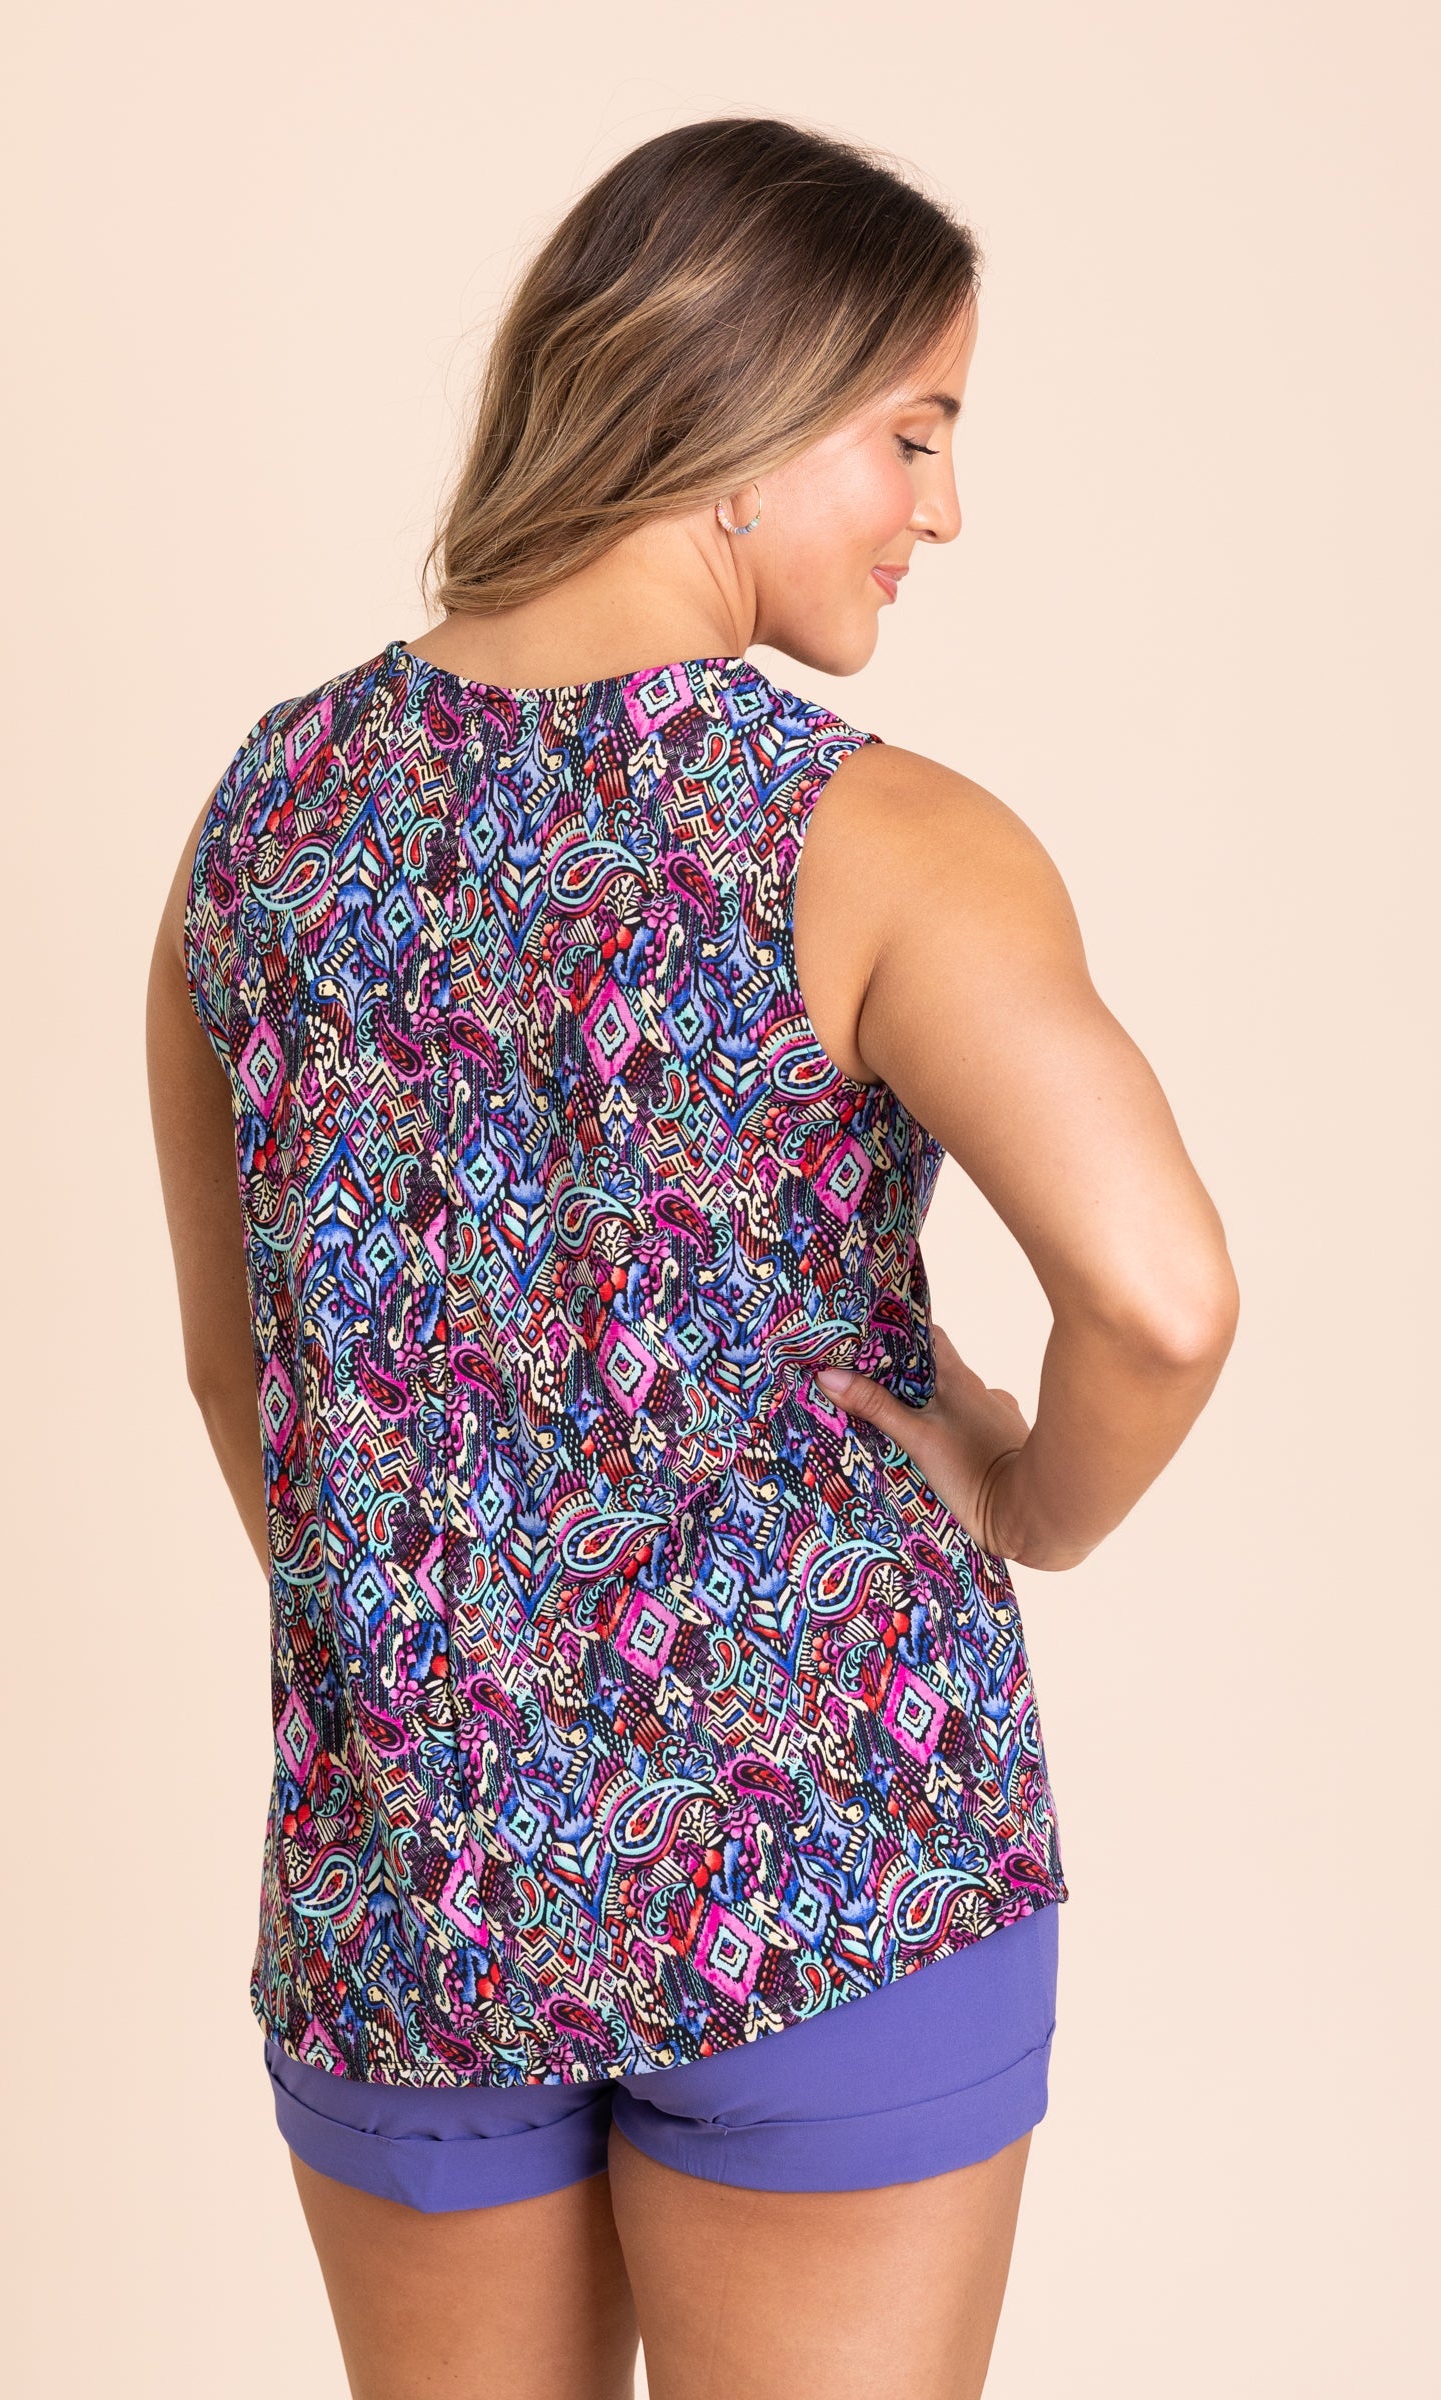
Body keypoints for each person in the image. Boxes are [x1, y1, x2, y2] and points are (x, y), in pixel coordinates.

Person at [147, 115, 1239, 2400]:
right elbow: (1158, 1298)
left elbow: (246, 1382)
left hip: (411, 1894)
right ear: (739, 413)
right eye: (912, 432)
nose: (942, 506)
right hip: (829, 1866)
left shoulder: (267, 819)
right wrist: (1022, 1498)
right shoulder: (870, 838)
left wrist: (451, 1670)